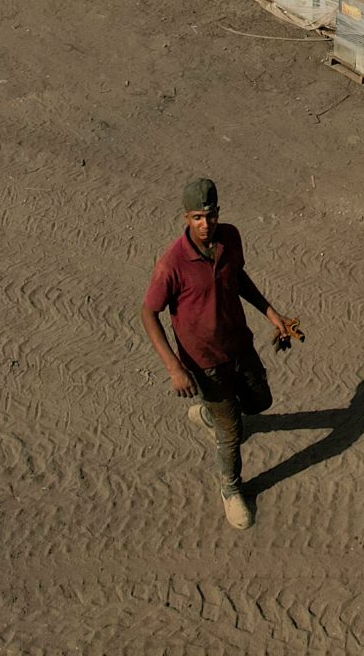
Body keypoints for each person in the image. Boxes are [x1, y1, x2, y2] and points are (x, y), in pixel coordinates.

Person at [141, 176, 298, 530]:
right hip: (204, 362)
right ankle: (232, 489)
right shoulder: (172, 265)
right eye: (197, 217)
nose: (205, 223)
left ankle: (210, 416)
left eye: (210, 215)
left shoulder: (230, 237)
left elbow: (238, 277)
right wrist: (174, 368)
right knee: (232, 434)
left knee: (260, 402)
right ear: (185, 218)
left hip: (239, 345)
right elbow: (148, 313)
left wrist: (272, 315)